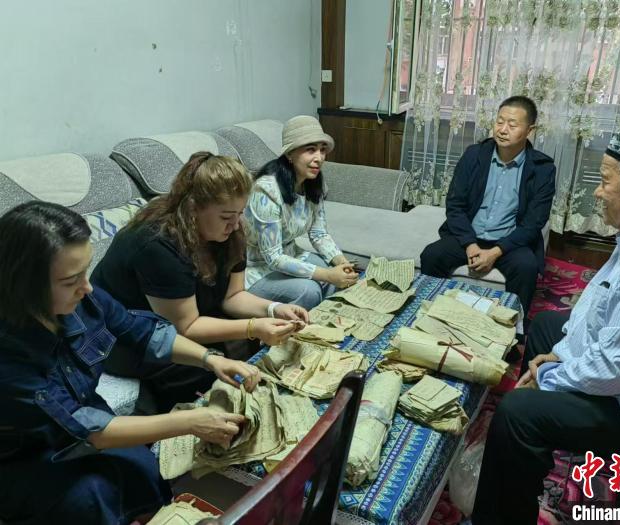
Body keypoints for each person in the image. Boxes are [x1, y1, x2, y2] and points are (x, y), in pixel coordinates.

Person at [471, 127, 620, 524]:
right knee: (547, 326)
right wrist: (559, 356)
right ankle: (535, 457)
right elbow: (599, 305)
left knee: (517, 412)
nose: (597, 192)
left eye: (605, 180)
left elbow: (614, 371)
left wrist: (548, 377)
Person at [0, 201, 261, 524]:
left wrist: (210, 360)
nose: (87, 287)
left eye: (85, 271)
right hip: (27, 455)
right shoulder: (10, 358)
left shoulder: (84, 300)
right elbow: (89, 429)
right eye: (70, 280)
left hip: (85, 419)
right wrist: (190, 421)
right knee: (90, 497)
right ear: (25, 285)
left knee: (144, 468)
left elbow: (140, 330)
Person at [91, 152, 306, 413]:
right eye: (226, 217)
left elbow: (232, 296)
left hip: (180, 318)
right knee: (205, 369)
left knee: (249, 346)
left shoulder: (231, 231)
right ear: (193, 208)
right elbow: (185, 327)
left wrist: (273, 309)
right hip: (122, 336)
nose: (235, 224)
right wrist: (253, 327)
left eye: (239, 213)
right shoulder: (158, 244)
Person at [420, 96, 555, 318]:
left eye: (512, 125)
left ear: (530, 130)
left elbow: (534, 222)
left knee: (527, 268)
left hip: (510, 242)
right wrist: (470, 245)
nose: (503, 130)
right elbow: (455, 205)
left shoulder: (542, 168)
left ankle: (513, 329)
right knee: (432, 255)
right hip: (469, 236)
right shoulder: (474, 155)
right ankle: (431, 314)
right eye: (499, 122)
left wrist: (495, 252)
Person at [244, 115, 358, 310]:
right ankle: (292, 326)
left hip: (291, 254)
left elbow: (319, 233)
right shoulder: (266, 191)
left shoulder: (314, 182)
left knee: (333, 272)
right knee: (310, 290)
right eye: (310, 150)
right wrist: (328, 275)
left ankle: (323, 320)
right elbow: (273, 258)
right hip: (257, 269)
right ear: (290, 154)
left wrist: (341, 261)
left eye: (322, 150)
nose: (319, 158)